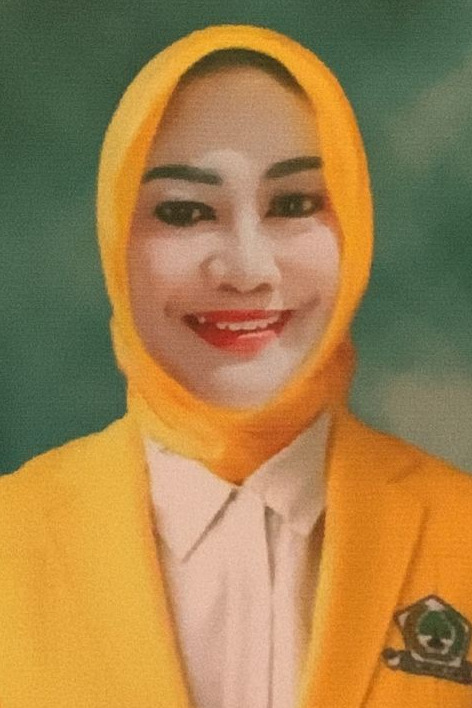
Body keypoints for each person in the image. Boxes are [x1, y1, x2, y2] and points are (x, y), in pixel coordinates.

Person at [1, 24, 472, 708]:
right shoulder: (11, 534)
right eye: (184, 211)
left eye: (295, 204)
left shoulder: (462, 528)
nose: (248, 270)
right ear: (114, 237)